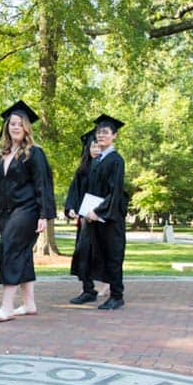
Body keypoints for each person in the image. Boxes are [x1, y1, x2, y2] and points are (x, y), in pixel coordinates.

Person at [0, 100, 55, 322]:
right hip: (6, 212)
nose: (15, 127)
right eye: (12, 123)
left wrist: (44, 215)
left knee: (8, 251)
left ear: (26, 128)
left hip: (28, 210)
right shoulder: (1, 152)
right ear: (7, 127)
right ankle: (29, 304)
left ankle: (6, 307)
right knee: (20, 254)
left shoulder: (34, 153)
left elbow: (43, 184)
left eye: (19, 124)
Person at [78, 115, 129, 310]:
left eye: (105, 132)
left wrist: (98, 211)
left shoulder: (116, 160)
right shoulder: (97, 160)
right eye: (99, 132)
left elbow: (114, 191)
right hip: (96, 217)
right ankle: (95, 291)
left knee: (113, 255)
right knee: (100, 254)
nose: (101, 135)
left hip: (110, 217)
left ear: (114, 136)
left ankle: (117, 295)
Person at [65, 130, 105, 303]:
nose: (96, 149)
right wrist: (71, 208)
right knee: (83, 253)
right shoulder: (82, 170)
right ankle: (88, 289)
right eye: (93, 145)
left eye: (99, 145)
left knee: (104, 254)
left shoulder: (110, 166)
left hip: (104, 220)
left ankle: (108, 286)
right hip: (85, 221)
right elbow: (74, 192)